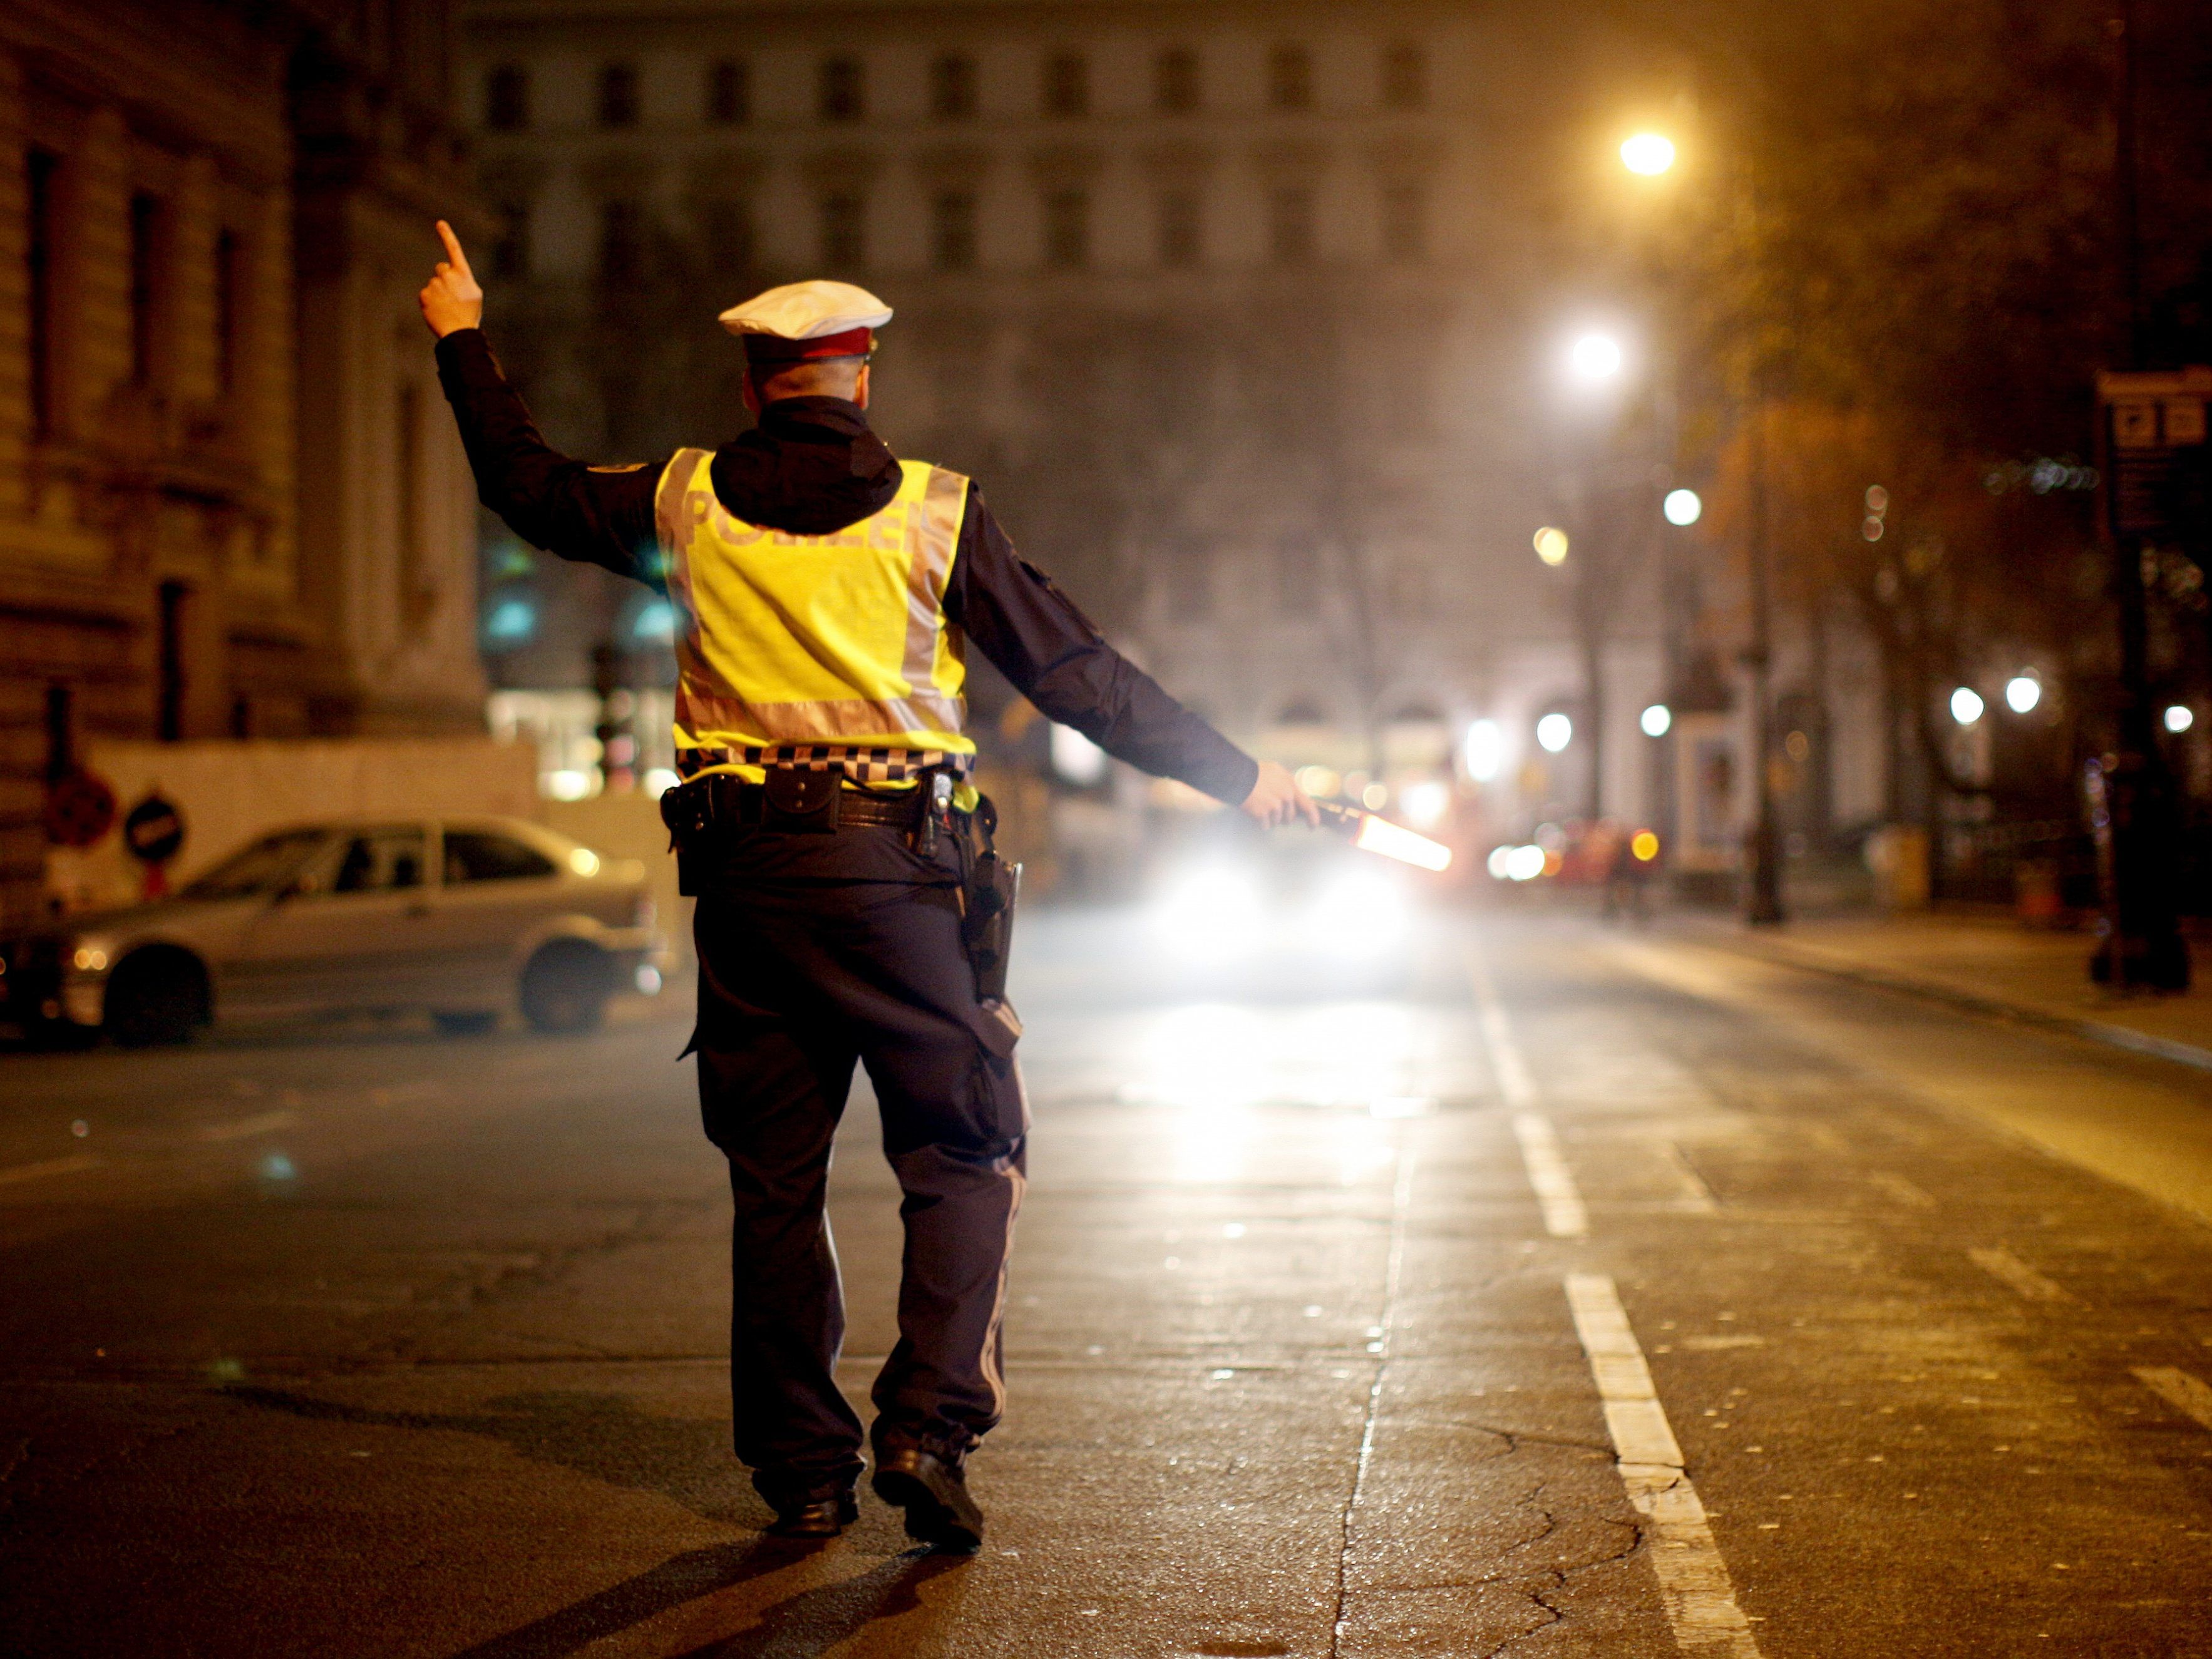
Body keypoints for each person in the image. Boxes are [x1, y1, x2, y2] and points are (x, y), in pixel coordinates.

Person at [418, 223, 1315, 1550]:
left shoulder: (679, 500)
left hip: (747, 878)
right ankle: (926, 1423)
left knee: (774, 1176)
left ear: (752, 384)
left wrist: (462, 336)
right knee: (962, 1145)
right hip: (904, 879)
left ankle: (804, 1470)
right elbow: (1076, 678)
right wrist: (1239, 775)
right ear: (863, 376)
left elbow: (528, 486)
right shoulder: (937, 511)